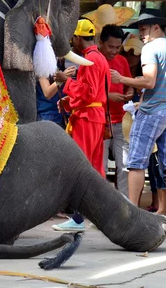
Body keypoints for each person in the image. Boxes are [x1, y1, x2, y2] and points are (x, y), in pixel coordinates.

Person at [111, 12, 166, 228]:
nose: (141, 35)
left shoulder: (150, 48)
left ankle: (130, 212)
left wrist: (122, 79)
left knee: (136, 161)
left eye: (143, 30)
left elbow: (149, 82)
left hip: (153, 110)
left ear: (156, 27)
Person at [52, 18, 111, 231]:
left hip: (87, 118)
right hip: (94, 116)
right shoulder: (98, 58)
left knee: (81, 167)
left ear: (77, 38)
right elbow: (93, 92)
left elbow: (88, 92)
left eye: (73, 37)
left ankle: (78, 219)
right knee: (94, 167)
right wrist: (69, 101)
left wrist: (65, 81)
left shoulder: (89, 59)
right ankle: (101, 215)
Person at [98, 24, 134, 196]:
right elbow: (86, 92)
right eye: (110, 46)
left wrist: (129, 92)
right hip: (101, 121)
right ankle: (102, 205)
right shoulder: (92, 59)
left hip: (122, 121)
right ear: (101, 42)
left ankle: (124, 206)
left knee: (125, 166)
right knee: (100, 167)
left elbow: (129, 85)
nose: (114, 51)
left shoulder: (122, 61)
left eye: (117, 47)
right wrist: (108, 96)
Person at [36, 61, 76, 127]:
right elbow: (47, 93)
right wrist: (63, 77)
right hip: (48, 117)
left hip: (64, 117)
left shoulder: (64, 64)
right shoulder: (43, 63)